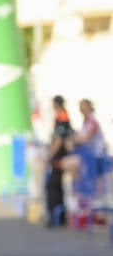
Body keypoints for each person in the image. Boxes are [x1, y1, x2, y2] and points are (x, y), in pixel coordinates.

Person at [45, 95, 74, 227]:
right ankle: (59, 216)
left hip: (59, 157)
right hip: (60, 156)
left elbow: (59, 139)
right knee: (56, 186)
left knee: (52, 186)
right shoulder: (62, 115)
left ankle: (55, 216)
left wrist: (50, 155)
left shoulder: (62, 116)